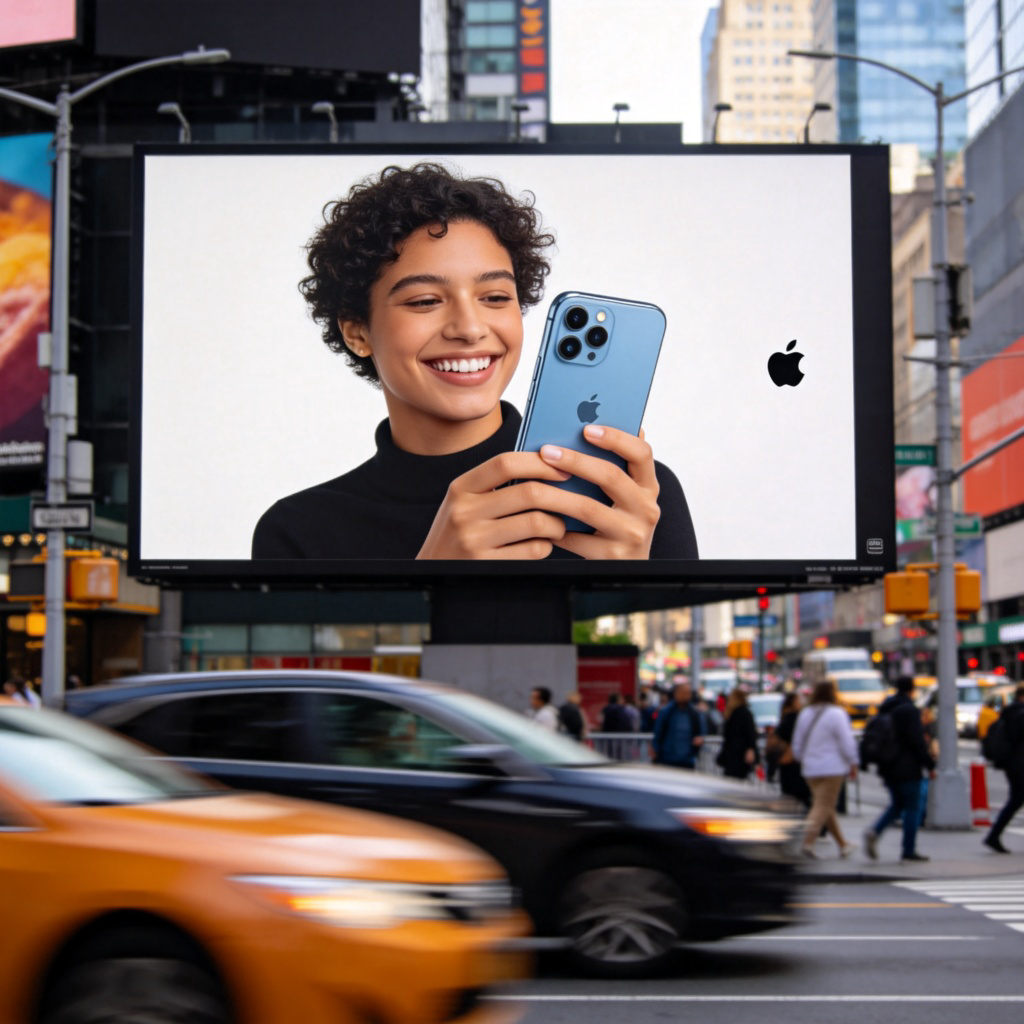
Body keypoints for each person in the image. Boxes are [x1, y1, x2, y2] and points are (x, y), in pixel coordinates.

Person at [251, 163, 698, 562]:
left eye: (496, 297)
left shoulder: (630, 499)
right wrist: (431, 575)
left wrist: (630, 585)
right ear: (357, 332)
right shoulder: (297, 533)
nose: (469, 328)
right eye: (425, 301)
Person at [862, 675, 935, 863]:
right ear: (912, 690)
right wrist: (929, 764)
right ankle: (908, 850)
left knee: (897, 804)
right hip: (907, 766)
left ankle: (875, 831)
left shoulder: (886, 707)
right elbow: (917, 741)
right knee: (912, 808)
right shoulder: (909, 710)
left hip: (887, 764)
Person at [791, 679, 859, 859]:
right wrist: (853, 761)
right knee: (823, 805)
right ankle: (808, 842)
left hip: (810, 767)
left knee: (825, 806)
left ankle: (843, 845)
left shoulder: (805, 713)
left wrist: (801, 758)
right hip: (832, 767)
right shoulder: (837, 713)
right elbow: (846, 742)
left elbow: (797, 741)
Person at [983, 683, 1024, 854]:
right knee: (1016, 800)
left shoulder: (1009, 712)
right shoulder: (1020, 714)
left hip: (1012, 764)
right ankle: (993, 835)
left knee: (1016, 800)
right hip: (1019, 764)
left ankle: (994, 835)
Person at [651, 681, 706, 770]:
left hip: (687, 760)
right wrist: (656, 750)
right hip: (667, 759)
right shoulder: (666, 712)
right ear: (676, 693)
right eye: (683, 692)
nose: (686, 696)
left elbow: (701, 733)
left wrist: (700, 739)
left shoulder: (694, 713)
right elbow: (658, 733)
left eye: (688, 693)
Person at [772, 691, 811, 809]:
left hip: (787, 761)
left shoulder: (785, 718)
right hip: (794, 761)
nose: (801, 703)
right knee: (800, 795)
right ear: (792, 702)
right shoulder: (794, 719)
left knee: (790, 795)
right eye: (798, 700)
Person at [717, 688, 760, 780]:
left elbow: (749, 734)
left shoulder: (736, 714)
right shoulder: (741, 713)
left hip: (735, 755)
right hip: (737, 755)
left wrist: (750, 748)